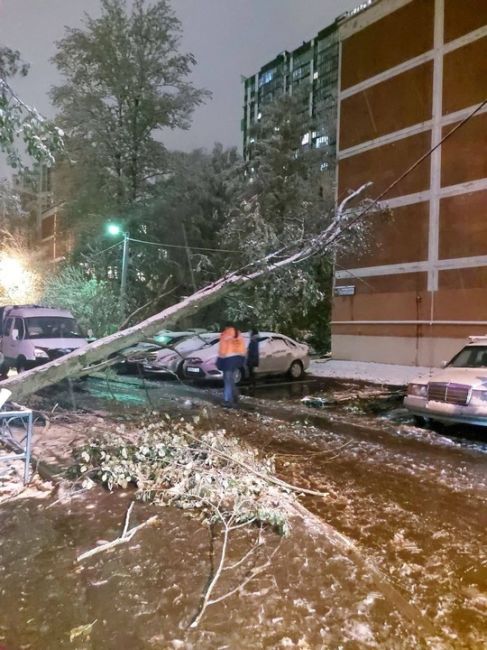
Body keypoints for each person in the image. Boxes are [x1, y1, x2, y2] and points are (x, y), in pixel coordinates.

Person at [217, 323, 246, 407]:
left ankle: (227, 401)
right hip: (237, 360)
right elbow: (243, 349)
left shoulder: (225, 334)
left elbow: (222, 350)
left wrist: (220, 360)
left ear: (226, 327)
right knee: (231, 380)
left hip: (228, 360)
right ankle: (235, 396)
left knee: (227, 381)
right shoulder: (238, 334)